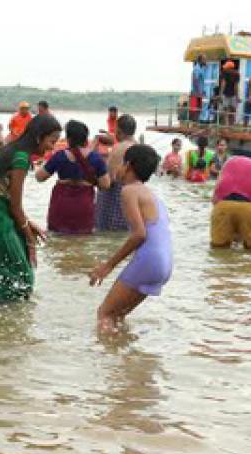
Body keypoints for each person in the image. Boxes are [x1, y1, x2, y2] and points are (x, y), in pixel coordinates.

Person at [0, 114, 63, 303]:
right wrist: (30, 241)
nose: (52, 148)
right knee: (22, 278)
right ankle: (10, 328)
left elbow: (6, 200)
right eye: (51, 141)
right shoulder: (21, 158)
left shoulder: (9, 151)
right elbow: (15, 204)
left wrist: (28, 224)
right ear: (38, 137)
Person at [89, 145, 171, 332]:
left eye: (119, 163)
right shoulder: (152, 195)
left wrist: (107, 266)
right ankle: (127, 358)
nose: (116, 167)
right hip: (164, 264)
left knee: (105, 314)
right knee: (117, 316)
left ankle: (107, 358)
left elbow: (139, 234)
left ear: (128, 166)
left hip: (149, 260)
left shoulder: (129, 191)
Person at [36, 119, 110, 235]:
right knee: (83, 240)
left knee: (58, 240)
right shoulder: (95, 158)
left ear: (68, 139)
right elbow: (105, 185)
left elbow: (39, 177)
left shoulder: (60, 156)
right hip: (83, 204)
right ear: (86, 138)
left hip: (61, 203)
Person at [210, 154, 251, 249]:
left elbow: (215, 197)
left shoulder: (229, 162)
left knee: (219, 251)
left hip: (222, 206)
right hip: (250, 210)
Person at [220, 61, 241, 125]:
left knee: (225, 110)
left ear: (229, 67)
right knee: (233, 110)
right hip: (233, 94)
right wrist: (237, 97)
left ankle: (226, 126)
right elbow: (236, 86)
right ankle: (231, 125)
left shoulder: (225, 73)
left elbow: (223, 83)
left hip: (225, 94)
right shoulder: (237, 74)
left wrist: (220, 94)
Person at [190, 55, 207, 122]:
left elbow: (201, 81)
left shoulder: (201, 68)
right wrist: (198, 92)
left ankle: (196, 123)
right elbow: (195, 80)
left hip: (199, 92)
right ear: (200, 60)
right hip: (196, 93)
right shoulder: (196, 69)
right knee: (195, 109)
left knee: (199, 109)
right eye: (204, 59)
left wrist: (203, 91)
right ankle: (194, 124)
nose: (205, 61)